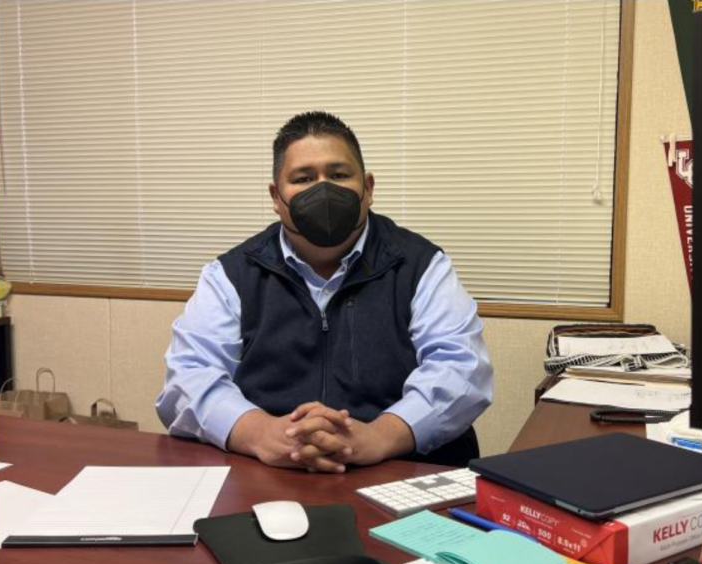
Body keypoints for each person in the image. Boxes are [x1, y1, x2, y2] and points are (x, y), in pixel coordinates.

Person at [156, 111, 492, 473]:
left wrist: (379, 436)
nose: (323, 190)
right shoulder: (231, 274)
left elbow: (461, 370)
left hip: (403, 469)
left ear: (368, 188)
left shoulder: (421, 265)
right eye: (303, 178)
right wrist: (261, 433)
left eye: (338, 175)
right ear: (276, 195)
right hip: (271, 473)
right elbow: (188, 376)